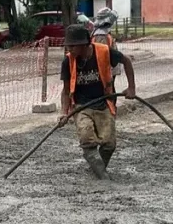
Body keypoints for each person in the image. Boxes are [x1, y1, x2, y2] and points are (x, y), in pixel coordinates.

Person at [58, 24, 136, 180]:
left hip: (104, 102)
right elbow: (66, 90)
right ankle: (103, 177)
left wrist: (131, 88)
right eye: (68, 46)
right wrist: (63, 112)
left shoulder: (104, 52)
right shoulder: (68, 61)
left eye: (73, 46)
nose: (70, 49)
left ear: (85, 44)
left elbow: (126, 61)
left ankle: (98, 169)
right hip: (81, 106)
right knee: (87, 139)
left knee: (109, 144)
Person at [91, 8, 121, 105]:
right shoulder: (101, 35)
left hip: (110, 68)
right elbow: (101, 55)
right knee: (108, 92)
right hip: (106, 70)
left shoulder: (104, 33)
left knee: (110, 90)